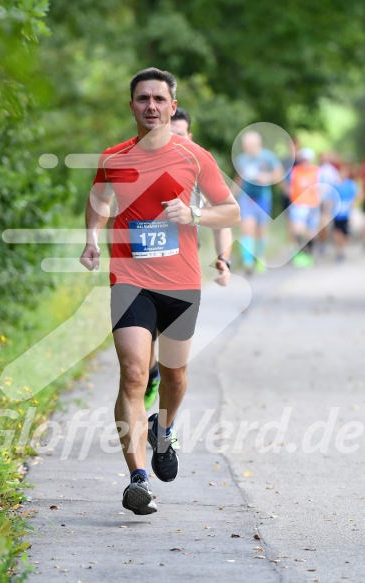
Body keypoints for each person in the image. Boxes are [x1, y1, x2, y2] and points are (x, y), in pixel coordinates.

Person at [79, 67, 240, 515]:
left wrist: (193, 216)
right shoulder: (114, 157)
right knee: (133, 374)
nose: (151, 106)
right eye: (142, 99)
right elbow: (98, 201)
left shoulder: (195, 156)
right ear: (131, 105)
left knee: (174, 377)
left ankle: (162, 431)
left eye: (159, 99)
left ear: (172, 105)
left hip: (181, 281)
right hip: (129, 278)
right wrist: (92, 239)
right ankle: (137, 479)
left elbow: (230, 211)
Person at [143, 107, 233, 411]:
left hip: (180, 272)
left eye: (179, 133)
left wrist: (224, 259)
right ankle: (148, 372)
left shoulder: (197, 165)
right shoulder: (140, 160)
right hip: (140, 269)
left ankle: (160, 396)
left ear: (188, 135)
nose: (172, 138)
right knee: (142, 343)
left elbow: (223, 217)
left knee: (174, 363)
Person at [232, 130, 283, 274]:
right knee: (247, 228)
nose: (249, 147)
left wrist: (267, 177)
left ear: (258, 144)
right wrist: (231, 196)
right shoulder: (241, 159)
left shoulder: (268, 157)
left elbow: (278, 174)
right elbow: (239, 179)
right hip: (247, 198)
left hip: (263, 198)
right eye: (247, 145)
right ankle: (248, 262)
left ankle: (259, 256)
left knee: (261, 231)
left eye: (252, 144)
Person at [288, 148, 322, 267]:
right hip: (299, 204)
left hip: (313, 204)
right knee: (298, 229)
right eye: (303, 159)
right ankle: (303, 253)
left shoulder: (316, 170)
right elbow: (290, 186)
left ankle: (309, 254)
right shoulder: (295, 171)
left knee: (312, 232)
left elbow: (321, 187)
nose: (305, 161)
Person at [331, 163, 358, 262]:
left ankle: (341, 249)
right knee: (338, 234)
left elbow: (355, 198)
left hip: (347, 214)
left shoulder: (351, 184)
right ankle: (340, 253)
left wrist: (353, 212)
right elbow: (331, 200)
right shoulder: (335, 185)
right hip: (336, 214)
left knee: (346, 236)